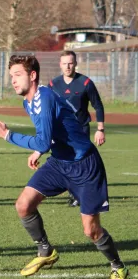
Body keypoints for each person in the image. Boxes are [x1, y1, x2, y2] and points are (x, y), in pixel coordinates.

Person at [0, 54, 128, 279]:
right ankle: (45, 251)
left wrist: (7, 135)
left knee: (91, 231)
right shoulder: (28, 102)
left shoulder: (45, 97)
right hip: (59, 163)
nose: (12, 80)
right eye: (11, 76)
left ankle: (118, 266)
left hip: (85, 166)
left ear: (32, 76)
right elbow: (49, 134)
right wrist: (38, 152)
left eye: (17, 75)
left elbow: (42, 140)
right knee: (24, 205)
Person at [49, 50, 106, 207]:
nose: (68, 66)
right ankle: (73, 192)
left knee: (78, 162)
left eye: (71, 63)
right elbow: (48, 108)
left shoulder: (85, 83)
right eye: (65, 63)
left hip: (81, 129)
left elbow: (98, 106)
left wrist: (100, 129)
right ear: (60, 65)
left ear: (75, 63)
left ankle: (78, 194)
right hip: (61, 131)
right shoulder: (53, 84)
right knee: (63, 161)